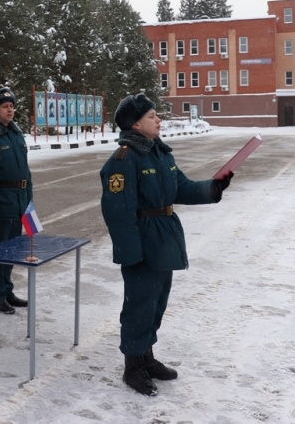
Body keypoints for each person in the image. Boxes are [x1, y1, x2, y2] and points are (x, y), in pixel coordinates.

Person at [99, 93, 232, 397]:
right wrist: (130, 253)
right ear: (135, 124)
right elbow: (117, 213)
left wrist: (213, 187)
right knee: (139, 305)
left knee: (157, 302)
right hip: (143, 240)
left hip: (164, 237)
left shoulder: (160, 154)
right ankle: (133, 366)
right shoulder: (123, 160)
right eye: (151, 116)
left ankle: (146, 356)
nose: (158, 120)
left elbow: (180, 187)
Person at [0, 87, 32, 314]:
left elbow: (25, 171)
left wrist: (29, 202)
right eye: (5, 107)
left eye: (12, 106)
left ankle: (8, 290)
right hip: (2, 201)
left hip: (20, 200)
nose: (10, 110)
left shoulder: (15, 133)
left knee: (13, 249)